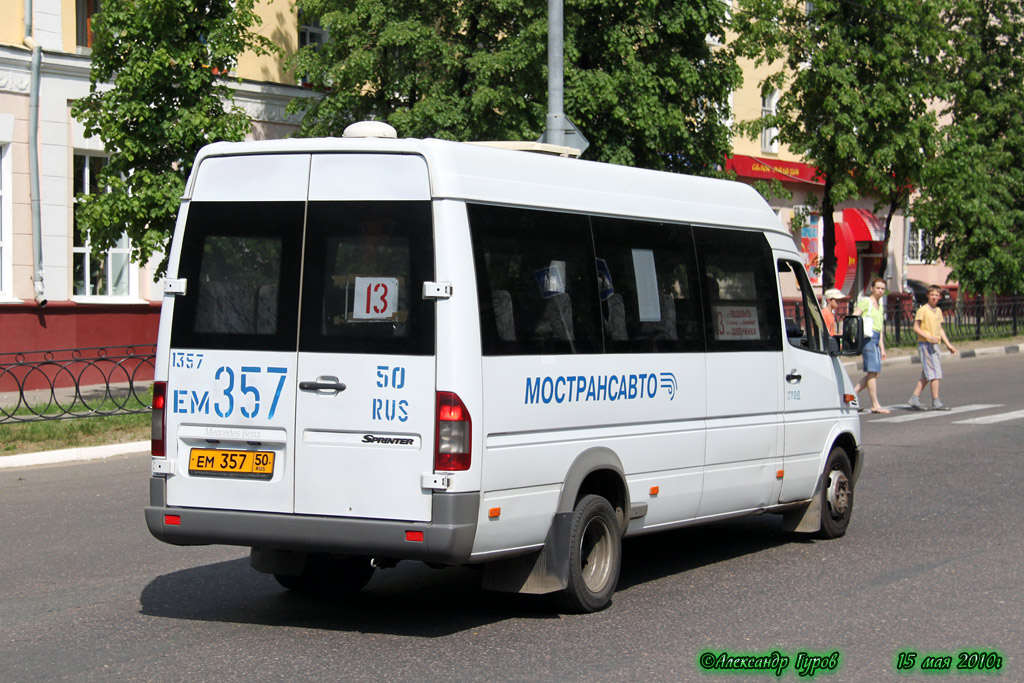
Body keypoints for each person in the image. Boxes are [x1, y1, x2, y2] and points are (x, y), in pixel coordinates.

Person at [908, 285, 958, 410]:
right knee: (935, 373)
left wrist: (948, 344)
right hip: (925, 345)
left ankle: (914, 398)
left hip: (935, 345)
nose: (934, 297)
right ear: (928, 295)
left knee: (927, 374)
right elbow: (916, 328)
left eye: (936, 295)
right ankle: (936, 401)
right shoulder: (923, 310)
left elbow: (940, 329)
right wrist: (928, 337)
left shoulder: (938, 311)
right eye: (932, 295)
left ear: (940, 297)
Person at [852, 277, 889, 413]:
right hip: (868, 338)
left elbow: (879, 329)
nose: (880, 291)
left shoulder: (880, 305)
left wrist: (882, 348)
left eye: (883, 289)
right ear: (872, 288)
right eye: (878, 288)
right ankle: (875, 404)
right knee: (872, 372)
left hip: (875, 338)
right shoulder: (866, 302)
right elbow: (855, 316)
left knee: (874, 374)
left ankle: (850, 395)